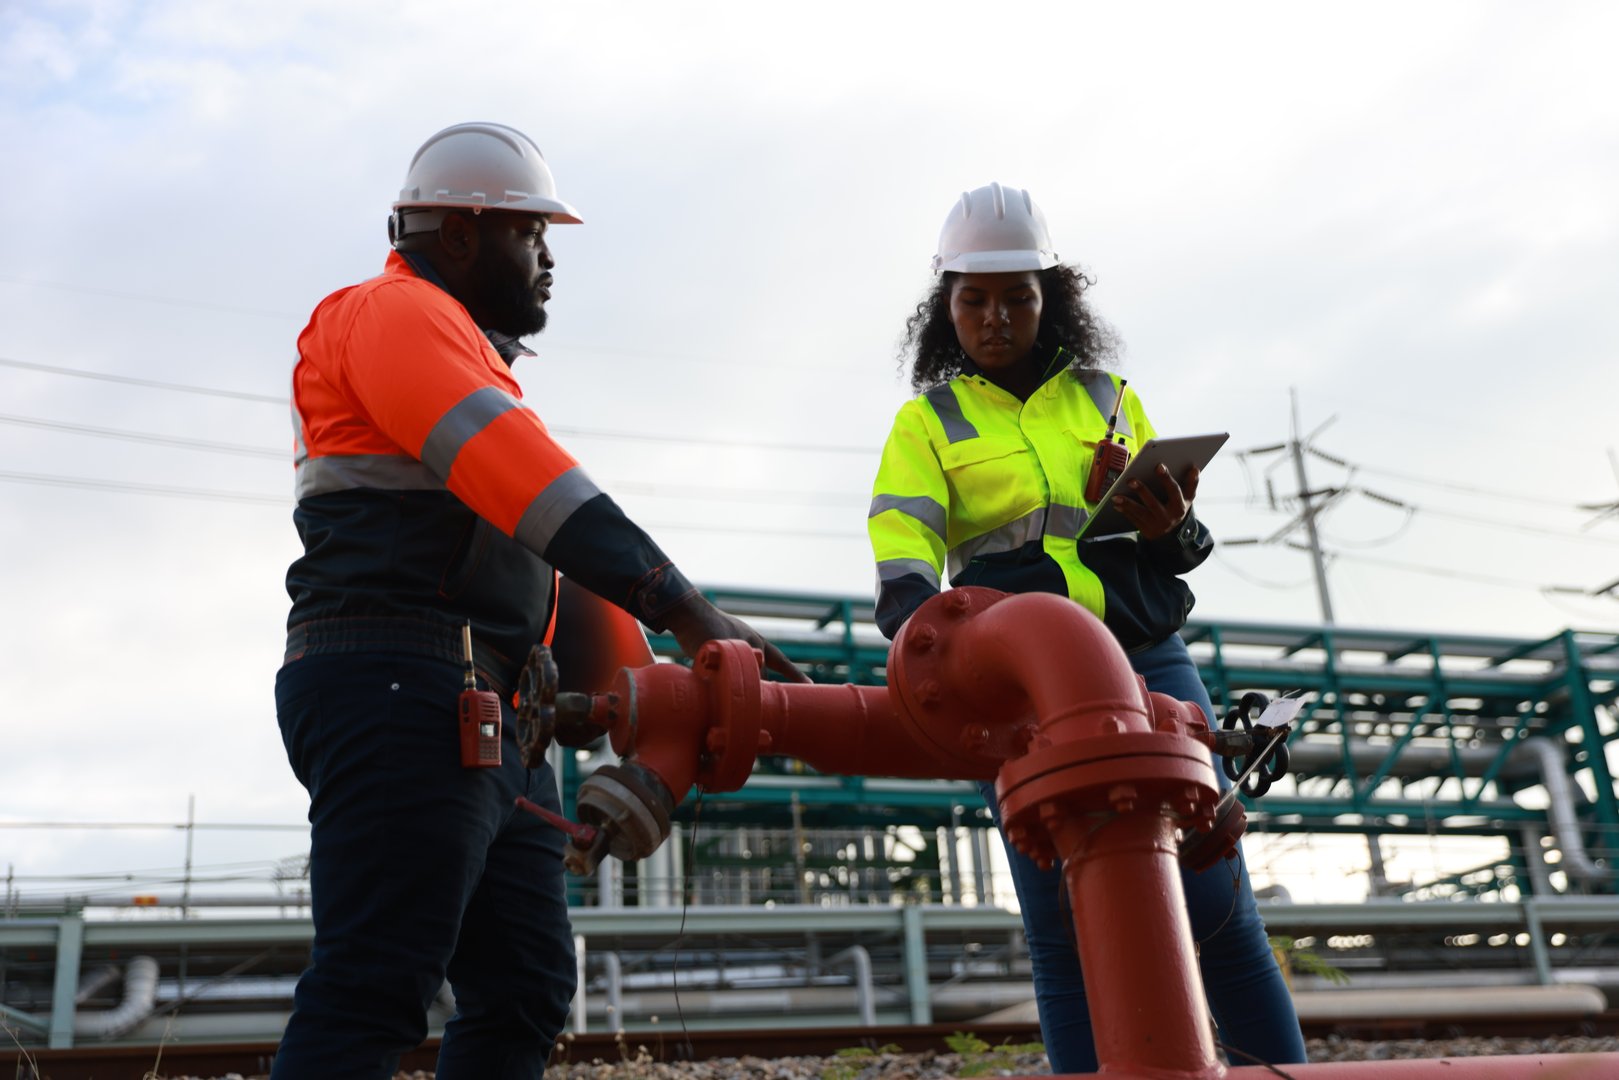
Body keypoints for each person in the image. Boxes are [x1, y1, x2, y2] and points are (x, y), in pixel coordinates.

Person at [273, 121, 804, 1080]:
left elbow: (546, 558)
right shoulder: (388, 315)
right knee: (375, 984)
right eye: (533, 234)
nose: (548, 258)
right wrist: (687, 610)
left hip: (491, 712)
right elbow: (530, 485)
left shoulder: (469, 361)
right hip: (402, 680)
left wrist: (667, 709)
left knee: (522, 988)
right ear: (464, 233)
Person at [866, 182, 1306, 1073]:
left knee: (1218, 905)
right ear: (944, 306)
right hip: (1022, 688)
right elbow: (903, 545)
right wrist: (922, 652)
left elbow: (1178, 542)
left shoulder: (1107, 395)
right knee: (1059, 922)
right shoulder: (927, 423)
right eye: (974, 299)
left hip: (1151, 662)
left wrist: (1165, 522)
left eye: (1017, 297)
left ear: (1050, 298)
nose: (995, 317)